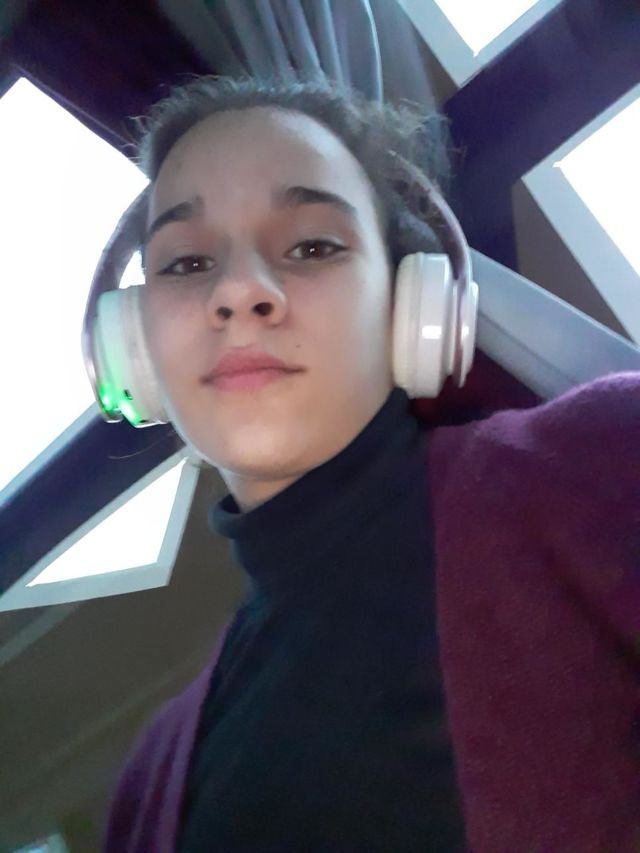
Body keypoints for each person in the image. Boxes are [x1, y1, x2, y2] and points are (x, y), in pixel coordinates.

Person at [102, 74, 640, 852]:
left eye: (312, 245)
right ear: (132, 346)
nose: (240, 290)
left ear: (414, 306)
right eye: (186, 262)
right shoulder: (145, 781)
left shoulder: (608, 461)